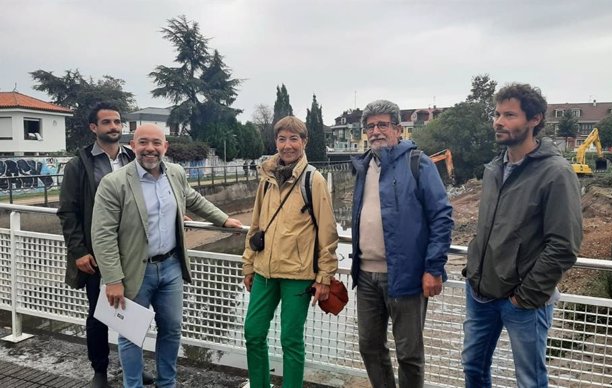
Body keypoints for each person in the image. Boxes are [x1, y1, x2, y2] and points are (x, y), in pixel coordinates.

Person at [91, 123, 243, 388]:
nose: (150, 149)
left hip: (171, 267)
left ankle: (167, 383)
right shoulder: (114, 182)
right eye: (143, 142)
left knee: (171, 330)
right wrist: (113, 278)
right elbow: (103, 234)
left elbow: (193, 199)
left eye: (156, 143)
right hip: (133, 271)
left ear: (165, 147)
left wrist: (224, 219)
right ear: (133, 145)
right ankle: (133, 385)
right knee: (131, 335)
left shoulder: (175, 172)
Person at [462, 83, 583, 388]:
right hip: (480, 293)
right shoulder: (494, 170)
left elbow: (564, 246)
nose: (498, 122)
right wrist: (473, 272)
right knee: (473, 369)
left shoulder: (556, 173)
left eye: (509, 115)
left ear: (535, 119)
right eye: (497, 114)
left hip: (523, 302)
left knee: (529, 380)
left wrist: (524, 297)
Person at [350, 100, 453, 388]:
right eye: (370, 126)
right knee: (369, 346)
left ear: (398, 129)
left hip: (407, 276)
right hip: (366, 276)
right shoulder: (364, 167)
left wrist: (433, 268)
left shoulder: (417, 163)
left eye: (383, 124)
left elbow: (442, 216)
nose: (376, 131)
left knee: (409, 354)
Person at [57, 102, 154, 388]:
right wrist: (79, 251)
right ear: (93, 128)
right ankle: (99, 370)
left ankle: (132, 370)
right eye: (107, 122)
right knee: (98, 314)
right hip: (97, 255)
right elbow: (68, 212)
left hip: (134, 253)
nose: (114, 127)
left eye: (117, 121)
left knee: (135, 313)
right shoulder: (80, 164)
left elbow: (151, 193)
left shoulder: (134, 158)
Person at [242, 116, 338, 388]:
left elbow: (328, 234)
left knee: (291, 340)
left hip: (298, 274)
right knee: (253, 332)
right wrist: (248, 264)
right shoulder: (266, 178)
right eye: (282, 139)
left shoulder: (313, 180)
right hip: (264, 271)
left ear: (304, 142)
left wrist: (324, 276)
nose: (287, 145)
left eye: (294, 139)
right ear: (276, 142)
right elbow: (256, 224)